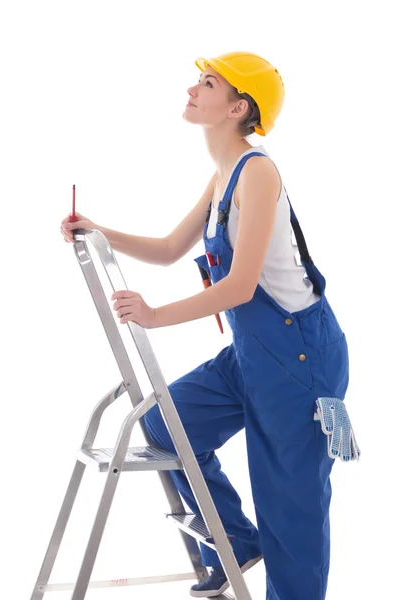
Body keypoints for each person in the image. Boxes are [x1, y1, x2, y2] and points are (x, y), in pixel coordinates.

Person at [61, 52, 359, 600]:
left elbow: (241, 287)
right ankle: (233, 540)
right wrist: (97, 230)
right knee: (165, 426)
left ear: (237, 107)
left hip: (300, 358)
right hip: (252, 354)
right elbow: (173, 248)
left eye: (208, 82)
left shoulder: (258, 170)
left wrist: (154, 317)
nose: (193, 89)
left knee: (289, 513)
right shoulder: (222, 174)